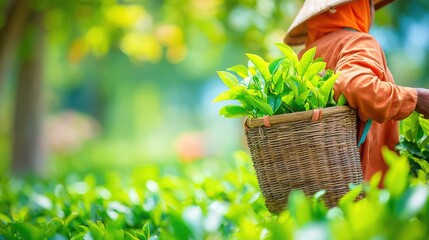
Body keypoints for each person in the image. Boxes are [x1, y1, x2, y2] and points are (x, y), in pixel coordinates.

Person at [283, 0, 429, 182]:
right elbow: (357, 86)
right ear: (358, 6)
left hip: (319, 188)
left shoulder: (303, 58)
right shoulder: (357, 42)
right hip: (362, 192)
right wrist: (416, 98)